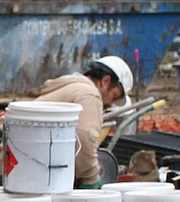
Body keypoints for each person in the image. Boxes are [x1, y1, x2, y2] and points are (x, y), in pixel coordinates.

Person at [36, 55, 135, 187]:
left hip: (13, 169)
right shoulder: (90, 95)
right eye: (114, 96)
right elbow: (84, 136)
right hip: (32, 175)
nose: (111, 104)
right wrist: (91, 179)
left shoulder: (68, 88)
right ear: (105, 81)